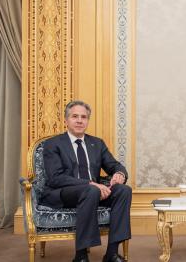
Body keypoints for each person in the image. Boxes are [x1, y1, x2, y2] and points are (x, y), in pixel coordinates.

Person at [41, 100, 132, 262]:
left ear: (87, 121)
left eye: (84, 117)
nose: (79, 120)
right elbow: (56, 178)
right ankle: (81, 255)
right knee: (91, 189)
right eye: (74, 116)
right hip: (64, 193)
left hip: (93, 192)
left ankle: (111, 254)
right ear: (66, 120)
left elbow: (114, 165)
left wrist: (119, 174)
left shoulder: (96, 143)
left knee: (124, 190)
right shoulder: (53, 144)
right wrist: (90, 184)